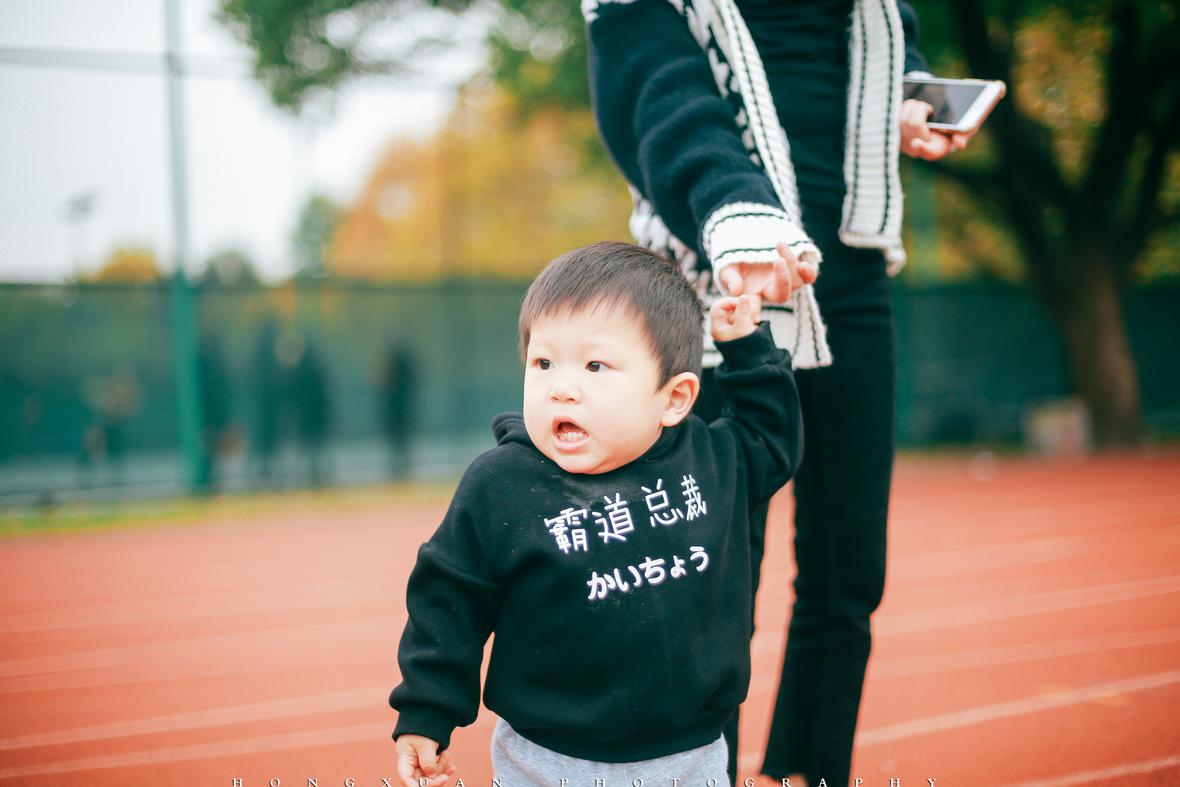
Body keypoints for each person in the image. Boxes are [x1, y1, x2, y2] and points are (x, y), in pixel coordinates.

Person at [582, 1, 973, 785]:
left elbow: (879, 34)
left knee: (849, 572)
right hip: (719, 271)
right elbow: (653, 87)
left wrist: (909, 94)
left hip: (849, 268)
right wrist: (736, 211)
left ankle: (812, 769)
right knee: (713, 577)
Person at [388, 241, 812, 787]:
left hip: (689, 758)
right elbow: (449, 601)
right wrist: (425, 713)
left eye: (595, 365)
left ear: (674, 399)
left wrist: (748, 349)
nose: (562, 389)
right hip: (543, 761)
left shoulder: (711, 463)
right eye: (543, 363)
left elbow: (772, 436)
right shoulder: (502, 485)